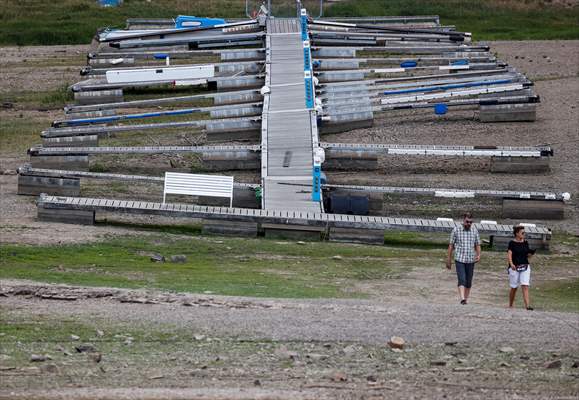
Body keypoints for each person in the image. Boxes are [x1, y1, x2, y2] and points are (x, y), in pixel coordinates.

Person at [446, 213, 481, 305]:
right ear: (463, 221)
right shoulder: (456, 230)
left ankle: (465, 298)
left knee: (469, 281)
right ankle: (462, 298)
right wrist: (448, 259)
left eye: (470, 222)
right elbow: (451, 245)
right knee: (462, 279)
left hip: (470, 259)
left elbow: (477, 244)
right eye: (467, 222)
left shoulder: (474, 231)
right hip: (459, 259)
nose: (468, 224)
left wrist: (478, 254)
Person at [507, 225, 536, 310]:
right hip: (515, 267)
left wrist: (531, 254)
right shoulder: (511, 243)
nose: (524, 234)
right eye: (522, 232)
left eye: (524, 232)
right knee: (514, 287)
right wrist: (511, 264)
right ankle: (511, 304)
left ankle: (527, 306)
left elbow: (527, 255)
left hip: (525, 266)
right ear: (517, 233)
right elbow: (509, 254)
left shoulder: (526, 242)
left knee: (525, 285)